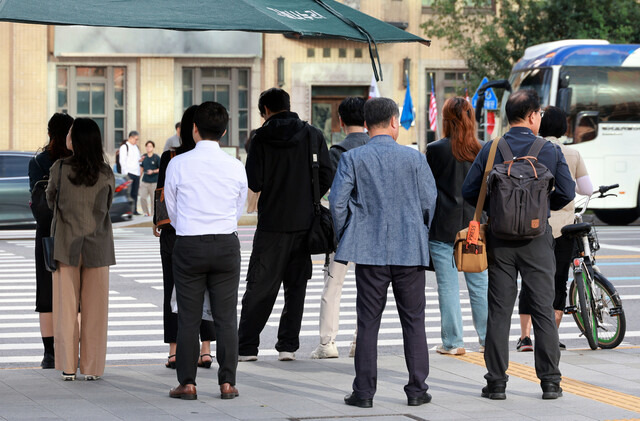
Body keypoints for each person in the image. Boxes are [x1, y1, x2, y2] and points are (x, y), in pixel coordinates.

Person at [462, 89, 575, 400]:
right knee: (542, 309)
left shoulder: (492, 147)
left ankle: (496, 382)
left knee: (499, 311)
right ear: (533, 116)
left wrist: (500, 210)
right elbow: (567, 192)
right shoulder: (549, 150)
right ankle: (550, 382)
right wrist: (538, 207)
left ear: (508, 117)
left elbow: (470, 191)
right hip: (538, 241)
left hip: (500, 240)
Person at [330, 97, 437, 408]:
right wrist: (419, 230)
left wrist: (348, 233)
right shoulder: (415, 158)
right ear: (394, 123)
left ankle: (364, 393)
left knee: (367, 322)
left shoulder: (353, 158)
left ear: (366, 124)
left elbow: (337, 203)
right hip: (410, 250)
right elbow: (430, 202)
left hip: (369, 250)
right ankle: (417, 389)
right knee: (414, 321)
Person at [238, 88, 333, 362]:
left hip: (271, 224)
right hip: (305, 223)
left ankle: (246, 347)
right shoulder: (313, 134)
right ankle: (288, 346)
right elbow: (326, 174)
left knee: (260, 286)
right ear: (288, 106)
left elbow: (253, 181)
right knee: (296, 286)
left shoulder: (260, 138)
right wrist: (308, 196)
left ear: (266, 110)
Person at [164, 101, 248, 400]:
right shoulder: (236, 165)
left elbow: (171, 209)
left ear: (194, 129)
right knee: (226, 316)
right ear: (224, 131)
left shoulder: (178, 163)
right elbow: (240, 207)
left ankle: (187, 383)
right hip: (226, 243)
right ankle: (227, 383)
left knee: (189, 316)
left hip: (189, 244)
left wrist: (188, 224)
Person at [517, 106, 593, 352]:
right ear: (563, 127)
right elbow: (586, 189)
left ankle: (525, 337)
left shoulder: (531, 149)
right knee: (559, 279)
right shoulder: (572, 153)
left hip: (535, 223)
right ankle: (550, 335)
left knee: (531, 279)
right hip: (565, 227)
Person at [46, 118, 116, 381]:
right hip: (98, 246)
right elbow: (108, 205)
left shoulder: (60, 168)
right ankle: (92, 368)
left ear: (74, 140)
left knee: (65, 308)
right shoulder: (106, 172)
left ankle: (67, 366)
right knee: (96, 310)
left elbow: (51, 200)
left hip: (66, 245)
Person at [153, 106, 217, 371]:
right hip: (206, 231)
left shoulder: (171, 156)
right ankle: (205, 349)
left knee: (172, 289)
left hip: (174, 233)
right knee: (207, 289)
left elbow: (162, 193)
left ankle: (175, 351)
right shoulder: (213, 158)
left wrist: (160, 224)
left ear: (188, 128)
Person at [426, 97, 488, 356]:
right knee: (480, 285)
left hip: (443, 229)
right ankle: (488, 340)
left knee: (448, 287)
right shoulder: (483, 149)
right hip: (474, 227)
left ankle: (453, 342)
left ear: (446, 120)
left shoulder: (435, 149)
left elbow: (428, 191)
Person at [311, 96, 368, 359]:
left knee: (332, 287)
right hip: (373, 231)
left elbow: (334, 197)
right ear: (367, 120)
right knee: (368, 289)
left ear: (341, 120)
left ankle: (327, 344)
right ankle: (360, 342)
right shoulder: (377, 147)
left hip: (343, 231)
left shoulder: (337, 152)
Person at [28, 112, 73, 369]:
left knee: (46, 294)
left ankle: (49, 354)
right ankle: (72, 348)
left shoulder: (38, 161)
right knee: (73, 293)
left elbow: (36, 197)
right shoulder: (78, 161)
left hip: (46, 231)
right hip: (74, 232)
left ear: (48, 133)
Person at [119, 131, 142, 215]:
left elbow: (138, 160)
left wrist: (140, 160)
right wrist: (125, 174)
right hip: (129, 173)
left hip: (136, 173)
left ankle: (134, 210)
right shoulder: (124, 147)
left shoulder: (136, 147)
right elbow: (122, 161)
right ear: (131, 137)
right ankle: (127, 210)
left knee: (135, 193)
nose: (136, 141)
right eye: (135, 139)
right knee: (128, 192)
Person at [139, 140, 160, 217]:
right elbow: (141, 168)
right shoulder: (143, 157)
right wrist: (139, 179)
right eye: (147, 146)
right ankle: (146, 213)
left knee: (153, 200)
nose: (148, 148)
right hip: (145, 181)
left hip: (154, 182)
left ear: (153, 148)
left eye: (150, 146)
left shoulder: (156, 157)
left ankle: (153, 214)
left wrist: (153, 171)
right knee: (142, 197)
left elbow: (160, 168)